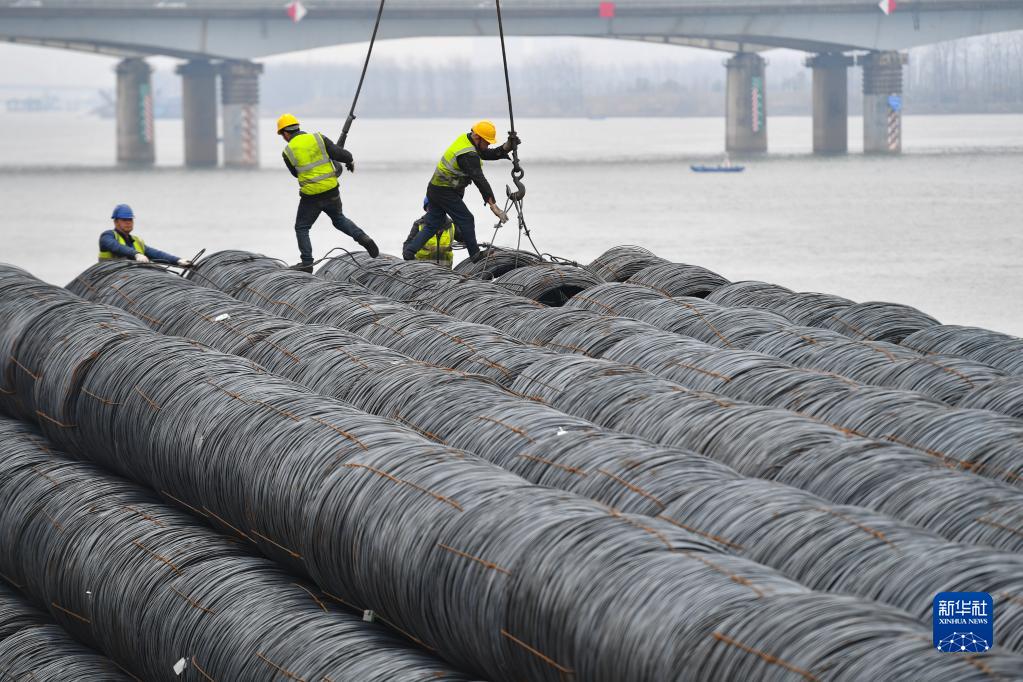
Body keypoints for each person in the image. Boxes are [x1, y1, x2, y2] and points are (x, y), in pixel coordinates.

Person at [402, 120, 519, 261]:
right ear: (477, 137)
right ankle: (475, 255)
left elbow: (486, 153)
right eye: (487, 142)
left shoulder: (467, 141)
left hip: (434, 189)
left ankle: (409, 252)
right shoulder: (468, 155)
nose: (488, 145)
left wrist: (507, 147)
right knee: (467, 219)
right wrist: (493, 206)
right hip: (444, 191)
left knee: (433, 223)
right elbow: (479, 180)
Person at [277, 113, 379, 273]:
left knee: (302, 228)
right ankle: (364, 239)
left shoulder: (287, 152)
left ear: (285, 133)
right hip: (331, 191)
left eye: (282, 135)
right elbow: (342, 155)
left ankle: (307, 263)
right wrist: (349, 161)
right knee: (339, 219)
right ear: (298, 127)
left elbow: (296, 173)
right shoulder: (318, 138)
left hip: (311, 197)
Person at [98, 204, 191, 266]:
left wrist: (178, 260)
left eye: (130, 220)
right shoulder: (107, 237)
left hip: (131, 278)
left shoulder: (137, 241)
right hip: (111, 279)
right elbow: (116, 247)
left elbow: (156, 254)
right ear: (116, 222)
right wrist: (136, 254)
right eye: (124, 220)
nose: (128, 223)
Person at [403, 196, 462, 269]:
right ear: (426, 209)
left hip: (446, 273)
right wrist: (414, 265)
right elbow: (407, 250)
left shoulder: (452, 225)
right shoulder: (419, 225)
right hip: (424, 273)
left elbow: (465, 239)